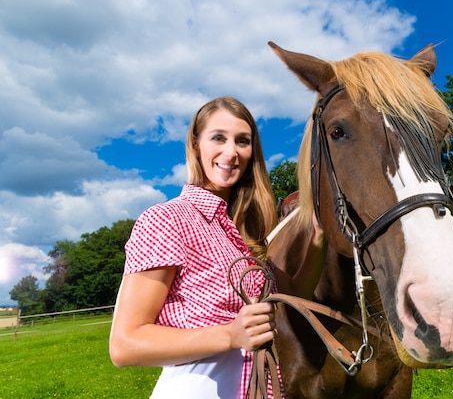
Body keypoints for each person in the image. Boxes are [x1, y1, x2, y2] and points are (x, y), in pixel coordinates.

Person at [109, 96, 326, 399]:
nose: (231, 152)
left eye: (242, 141)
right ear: (196, 145)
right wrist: (229, 335)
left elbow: (295, 298)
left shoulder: (245, 238)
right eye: (218, 138)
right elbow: (125, 345)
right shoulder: (167, 219)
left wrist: (318, 238)